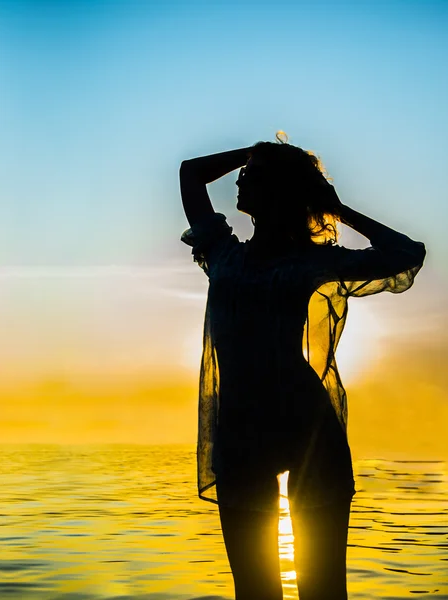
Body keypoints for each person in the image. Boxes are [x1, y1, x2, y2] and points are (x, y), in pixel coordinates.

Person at [179, 134, 426, 600]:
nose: (241, 180)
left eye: (252, 175)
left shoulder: (312, 260)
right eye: (245, 172)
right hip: (240, 429)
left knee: (323, 588)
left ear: (281, 191)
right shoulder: (224, 253)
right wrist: (252, 152)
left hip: (307, 426)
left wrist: (337, 207)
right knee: (254, 589)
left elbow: (407, 254)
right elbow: (190, 172)